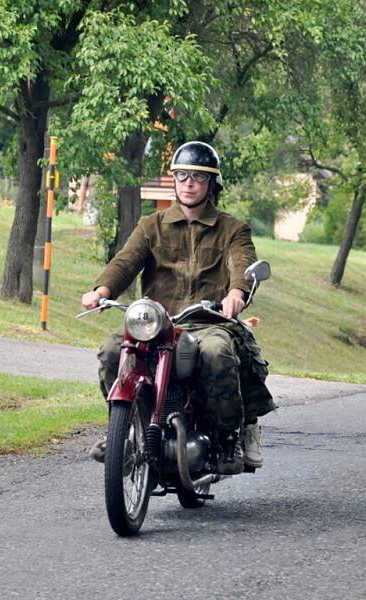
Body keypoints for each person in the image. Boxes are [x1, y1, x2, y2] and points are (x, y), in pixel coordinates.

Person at [81, 141, 274, 475]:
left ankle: (229, 436)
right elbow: (126, 261)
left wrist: (236, 294)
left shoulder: (233, 229)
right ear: (174, 180)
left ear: (212, 184)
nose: (188, 182)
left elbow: (242, 263)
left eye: (198, 177)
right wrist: (102, 289)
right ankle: (125, 430)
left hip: (208, 321)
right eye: (182, 175)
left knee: (216, 353)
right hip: (157, 322)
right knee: (112, 349)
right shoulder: (151, 225)